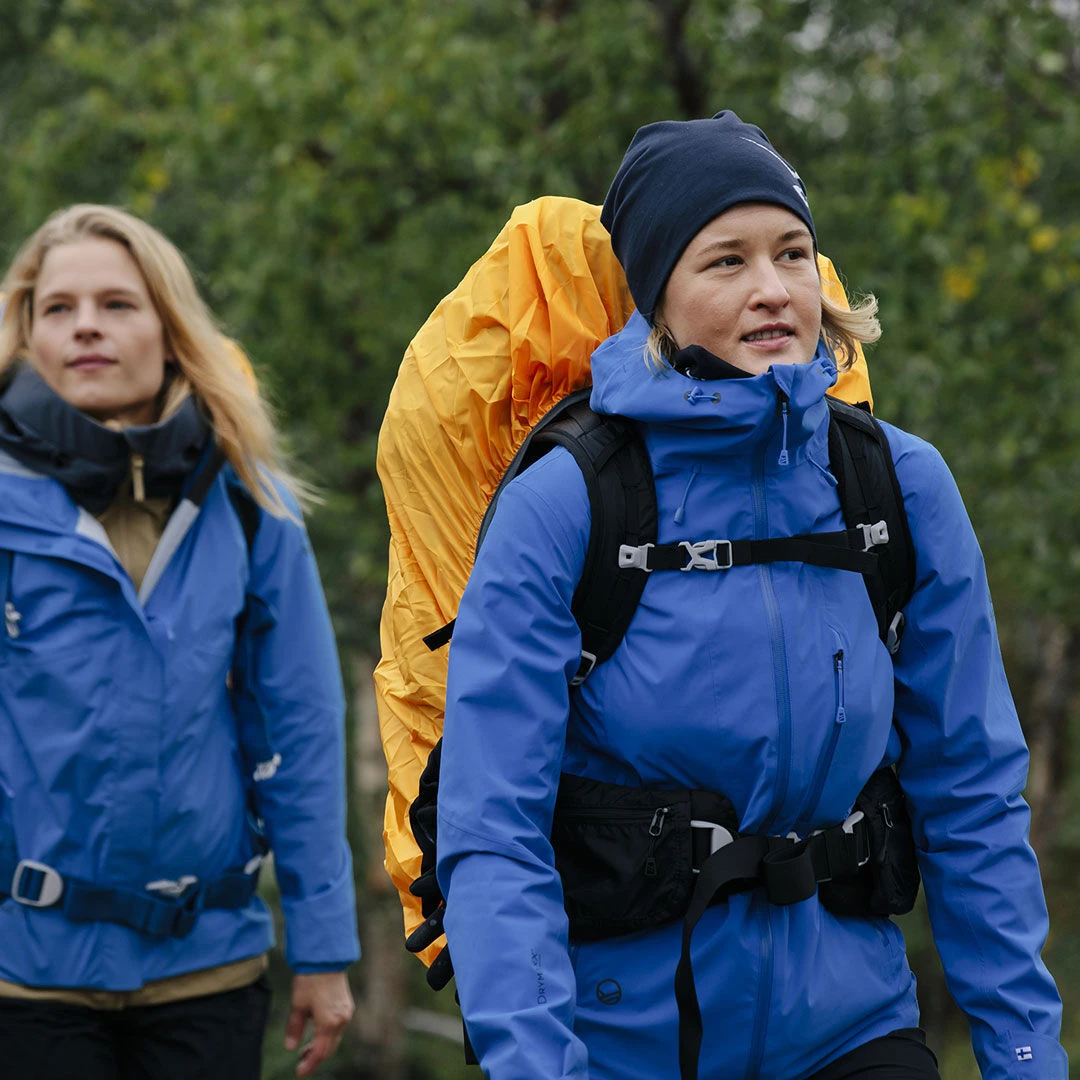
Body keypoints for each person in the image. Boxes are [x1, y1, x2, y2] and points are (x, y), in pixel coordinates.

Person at [434, 112, 1066, 1079]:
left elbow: (971, 790)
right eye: (725, 260)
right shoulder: (568, 503)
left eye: (793, 252)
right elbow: (494, 831)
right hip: (625, 1049)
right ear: (658, 294)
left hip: (853, 1030)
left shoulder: (896, 485)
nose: (773, 288)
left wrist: (1025, 1056)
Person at [0, 205, 359, 1080]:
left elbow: (302, 732)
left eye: (117, 304)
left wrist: (322, 946)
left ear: (170, 330)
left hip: (207, 970)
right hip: (24, 975)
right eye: (59, 307)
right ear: (28, 333)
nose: (86, 325)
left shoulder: (248, 502)